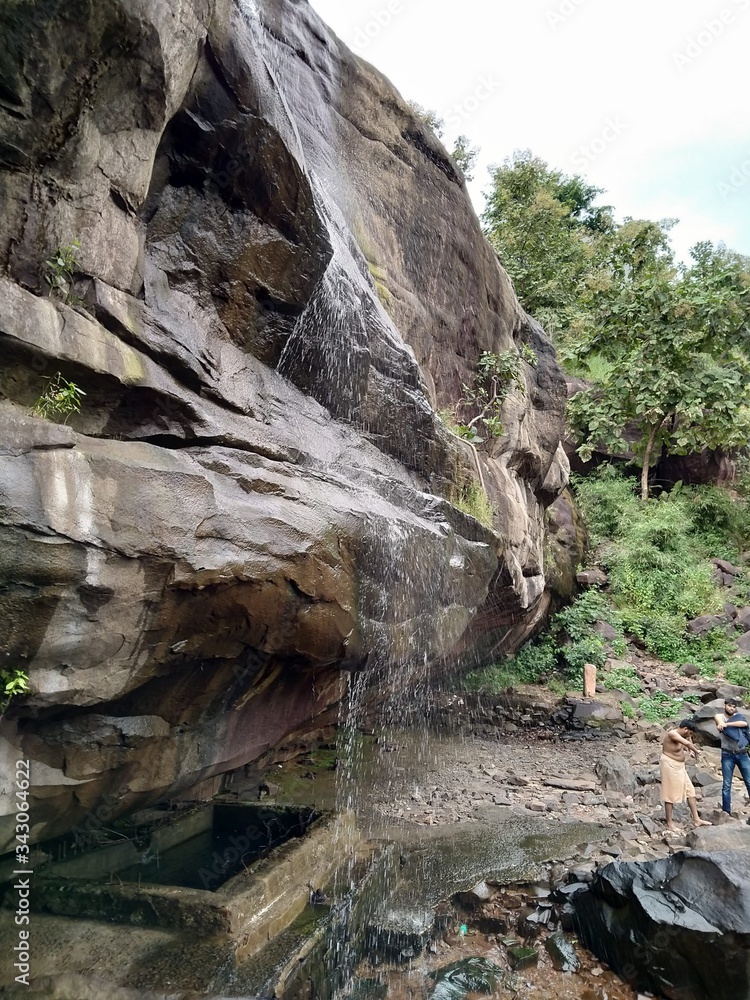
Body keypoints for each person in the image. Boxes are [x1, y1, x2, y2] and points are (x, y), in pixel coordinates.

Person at [660, 719, 711, 831]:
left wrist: (690, 751)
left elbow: (688, 740)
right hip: (669, 764)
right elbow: (686, 742)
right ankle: (669, 823)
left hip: (680, 766)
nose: (690, 735)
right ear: (685, 729)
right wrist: (697, 751)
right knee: (670, 793)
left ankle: (696, 819)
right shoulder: (673, 734)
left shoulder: (684, 734)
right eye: (690, 733)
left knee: (690, 790)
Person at [714, 698, 750, 815]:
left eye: (734, 707)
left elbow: (744, 724)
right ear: (725, 706)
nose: (732, 708)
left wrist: (727, 724)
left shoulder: (739, 717)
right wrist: (721, 724)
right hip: (727, 754)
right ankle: (726, 812)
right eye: (729, 706)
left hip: (742, 754)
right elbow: (718, 720)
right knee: (727, 784)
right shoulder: (720, 716)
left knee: (749, 782)